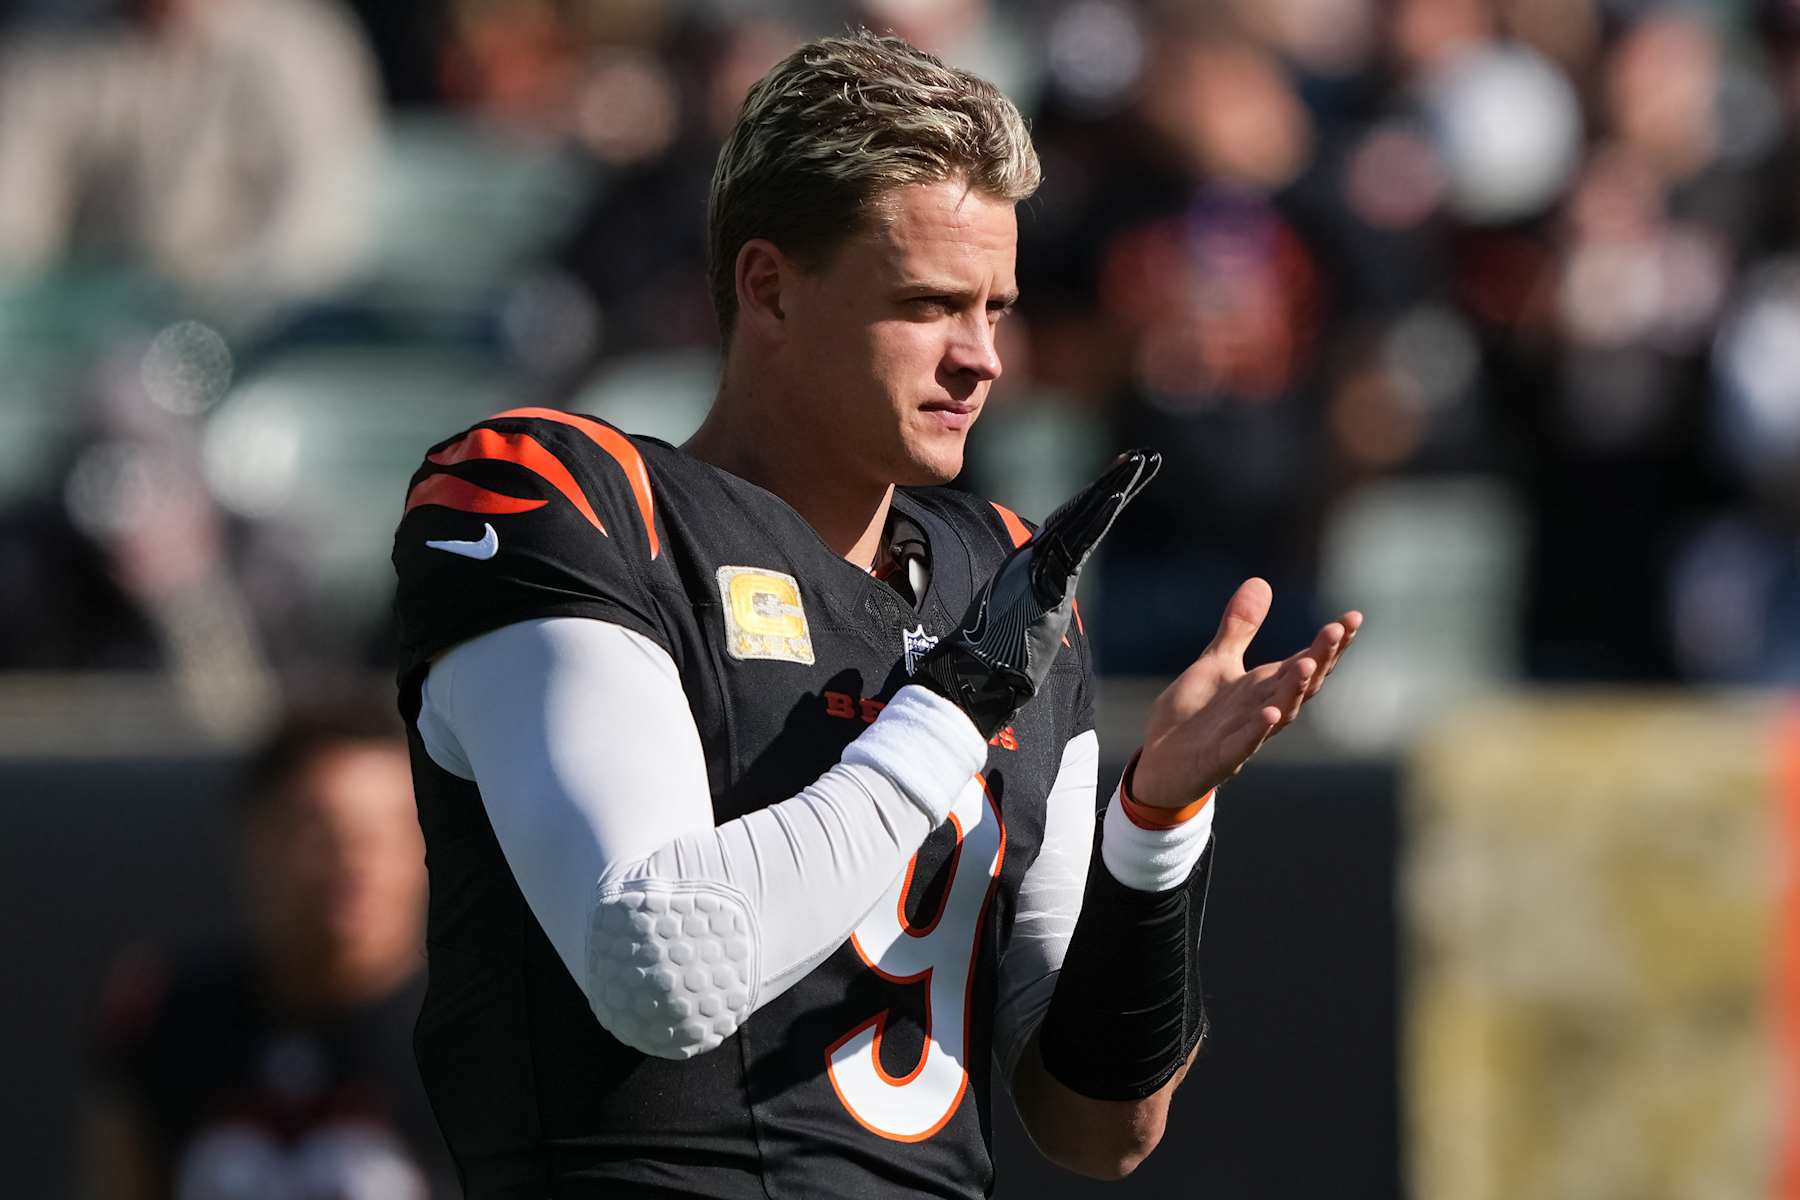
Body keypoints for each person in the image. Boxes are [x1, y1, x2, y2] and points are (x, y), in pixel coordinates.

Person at [391, 30, 1360, 1198]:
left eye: (996, 307)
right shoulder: (576, 501)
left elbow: (1100, 1127)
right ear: (768, 287)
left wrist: (1157, 826)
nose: (982, 357)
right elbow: (659, 970)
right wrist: (951, 708)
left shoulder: (1002, 574)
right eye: (928, 304)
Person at [78, 700, 456, 1199]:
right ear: (254, 836)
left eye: (387, 832)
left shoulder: (480, 1033)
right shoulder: (167, 1015)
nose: (355, 862)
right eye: (321, 832)